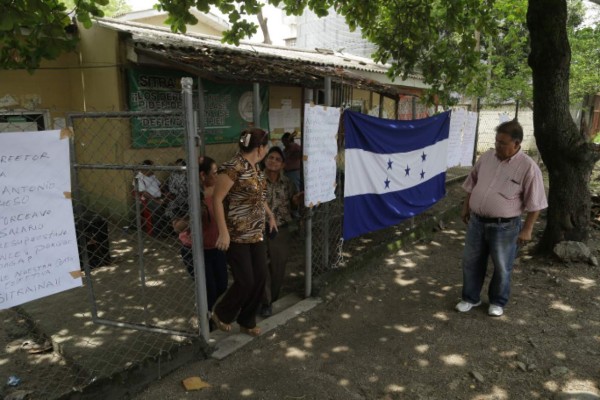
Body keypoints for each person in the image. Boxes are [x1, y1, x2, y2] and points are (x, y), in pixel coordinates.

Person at [456, 120, 548, 317]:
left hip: (505, 227)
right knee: (471, 261)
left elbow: (536, 203)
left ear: (516, 144)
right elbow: (472, 183)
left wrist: (528, 229)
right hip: (477, 222)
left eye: (503, 143)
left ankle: (497, 301)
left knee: (502, 266)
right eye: (496, 141)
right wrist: (466, 207)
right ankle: (470, 297)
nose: (497, 146)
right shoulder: (486, 157)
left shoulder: (528, 168)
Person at [211, 128, 277, 336]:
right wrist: (223, 232)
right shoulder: (233, 167)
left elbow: (258, 196)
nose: (266, 150)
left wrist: (270, 215)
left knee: (260, 276)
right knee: (246, 280)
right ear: (260, 148)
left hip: (255, 232)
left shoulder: (255, 168)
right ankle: (221, 313)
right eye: (266, 147)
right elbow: (217, 199)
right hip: (237, 234)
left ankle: (247, 321)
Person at [174, 157, 228, 314]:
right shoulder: (189, 195)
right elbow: (177, 227)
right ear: (203, 176)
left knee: (222, 285)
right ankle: (205, 321)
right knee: (209, 288)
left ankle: (208, 314)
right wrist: (194, 214)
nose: (217, 177)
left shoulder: (220, 191)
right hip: (194, 250)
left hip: (215, 247)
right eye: (215, 173)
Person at [259, 147, 303, 317]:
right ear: (265, 160)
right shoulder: (256, 180)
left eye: (278, 159)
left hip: (281, 229)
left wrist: (295, 201)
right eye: (271, 157)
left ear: (283, 164)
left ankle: (273, 298)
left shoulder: (288, 183)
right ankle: (266, 302)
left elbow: (292, 205)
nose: (273, 161)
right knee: (261, 266)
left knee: (278, 267)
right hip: (259, 229)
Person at [133, 160, 164, 234]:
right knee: (158, 208)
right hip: (148, 200)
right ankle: (158, 232)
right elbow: (145, 194)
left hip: (159, 197)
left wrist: (165, 195)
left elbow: (160, 186)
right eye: (152, 168)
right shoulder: (138, 178)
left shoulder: (152, 176)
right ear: (145, 169)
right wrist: (157, 201)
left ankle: (169, 229)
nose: (153, 170)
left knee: (171, 205)